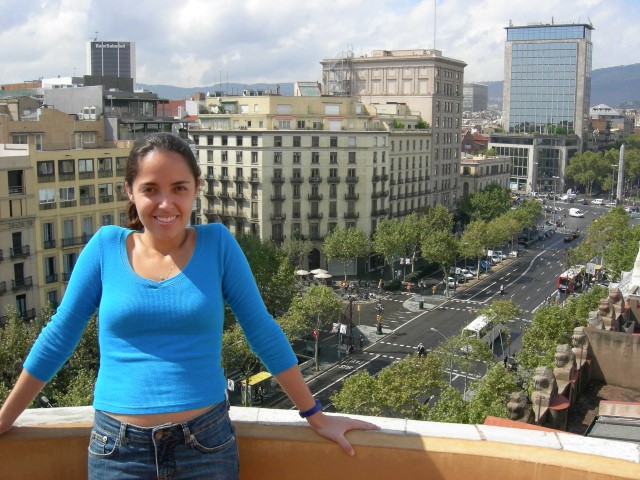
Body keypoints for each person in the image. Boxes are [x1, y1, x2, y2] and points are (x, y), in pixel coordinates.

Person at [0, 133, 378, 479]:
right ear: (130, 192)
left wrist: (314, 415)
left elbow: (261, 329)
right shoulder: (105, 247)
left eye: (179, 188)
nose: (166, 203)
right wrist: (5, 418)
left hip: (206, 444)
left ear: (196, 188)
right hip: (117, 449)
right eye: (151, 189)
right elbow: (59, 336)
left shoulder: (217, 244)